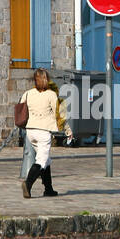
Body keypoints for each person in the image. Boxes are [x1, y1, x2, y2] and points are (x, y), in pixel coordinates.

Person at [21, 68, 72, 198]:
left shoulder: (28, 93)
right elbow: (59, 115)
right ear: (46, 79)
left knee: (46, 160)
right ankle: (27, 184)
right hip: (43, 132)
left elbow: (21, 108)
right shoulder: (51, 95)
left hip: (30, 131)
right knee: (41, 161)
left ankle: (48, 189)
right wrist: (67, 130)